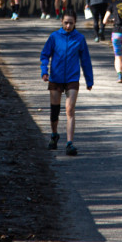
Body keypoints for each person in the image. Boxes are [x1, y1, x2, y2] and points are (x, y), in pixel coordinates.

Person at [40, 10, 93, 156]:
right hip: (55, 78)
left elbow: (86, 61)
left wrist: (89, 80)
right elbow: (45, 55)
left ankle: (70, 143)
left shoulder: (80, 39)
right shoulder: (54, 37)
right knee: (54, 112)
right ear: (61, 22)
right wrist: (44, 71)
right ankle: (54, 135)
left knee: (70, 109)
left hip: (72, 78)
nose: (68, 26)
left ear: (75, 22)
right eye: (66, 23)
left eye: (71, 23)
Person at [103, 0, 122, 83]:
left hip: (116, 33)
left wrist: (112, 21)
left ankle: (120, 76)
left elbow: (104, 20)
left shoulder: (112, 4)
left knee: (118, 56)